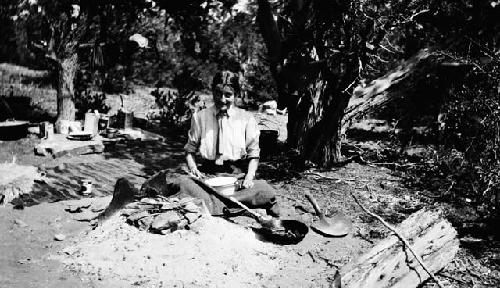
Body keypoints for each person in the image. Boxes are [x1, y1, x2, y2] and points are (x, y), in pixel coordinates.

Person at [138, 70, 280, 217]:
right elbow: (189, 150)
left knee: (266, 190)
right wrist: (193, 169)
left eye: (228, 95)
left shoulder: (247, 119)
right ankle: (224, 205)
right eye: (218, 93)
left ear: (236, 94)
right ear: (212, 91)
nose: (222, 99)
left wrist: (249, 177)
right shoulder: (200, 117)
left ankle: (211, 204)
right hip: (207, 178)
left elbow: (254, 154)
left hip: (236, 180)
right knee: (176, 180)